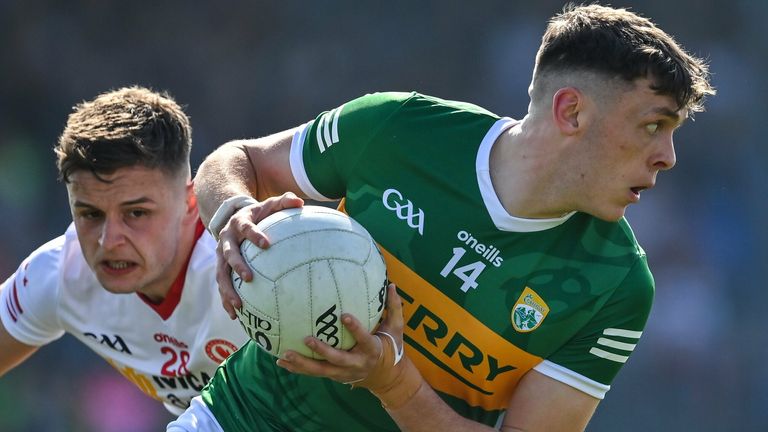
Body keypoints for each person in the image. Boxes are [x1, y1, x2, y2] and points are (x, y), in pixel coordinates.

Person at [170, 4, 714, 431]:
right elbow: (237, 160)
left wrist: (393, 383)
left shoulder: (617, 286)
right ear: (571, 110)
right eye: (652, 125)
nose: (668, 155)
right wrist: (234, 216)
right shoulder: (402, 128)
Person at [0, 86, 248, 416]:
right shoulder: (59, 275)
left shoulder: (251, 270)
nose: (108, 241)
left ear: (191, 203)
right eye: (90, 214)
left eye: (136, 213)